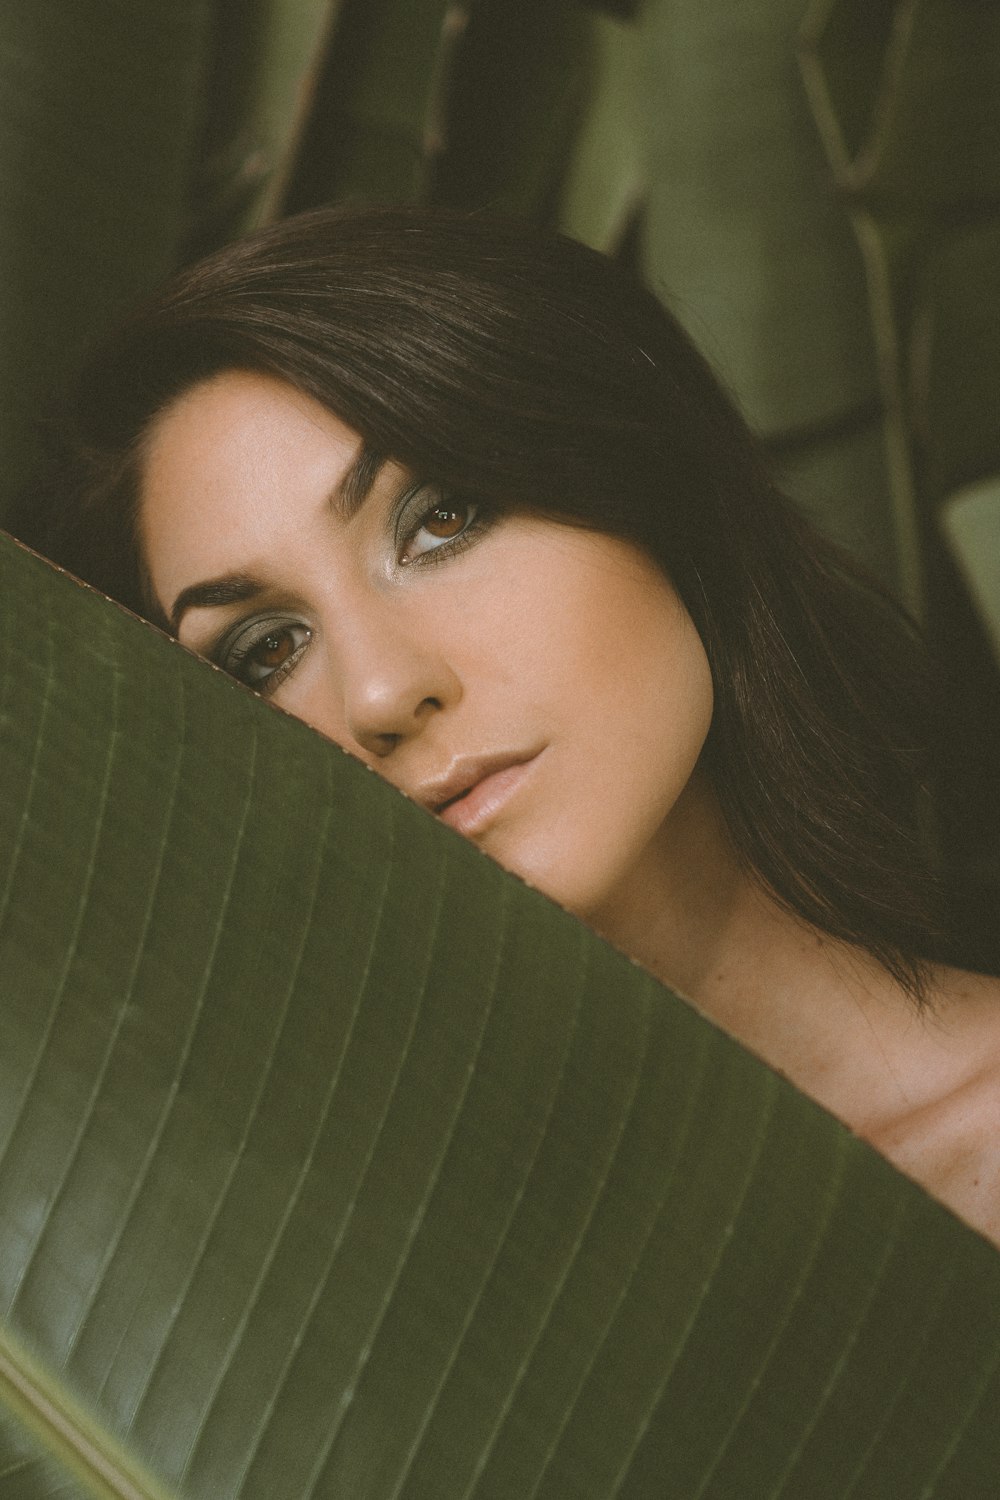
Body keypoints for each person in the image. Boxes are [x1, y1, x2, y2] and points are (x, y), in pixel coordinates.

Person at [38, 204, 1000, 1246]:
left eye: (441, 520)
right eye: (265, 651)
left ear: (644, 478)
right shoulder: (347, 1315)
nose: (377, 695)